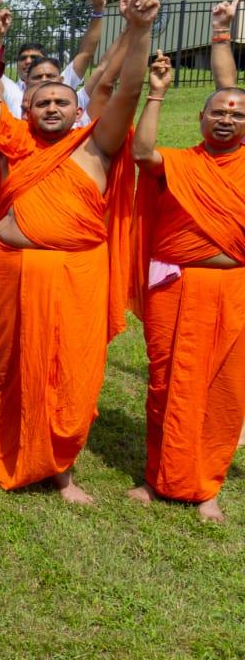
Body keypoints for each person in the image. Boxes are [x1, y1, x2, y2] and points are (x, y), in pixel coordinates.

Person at [0, 0, 151, 503]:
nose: (50, 107)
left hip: (75, 276)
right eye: (41, 101)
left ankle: (62, 471)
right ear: (28, 109)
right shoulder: (17, 144)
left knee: (70, 369)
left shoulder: (96, 148)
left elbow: (129, 92)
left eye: (60, 101)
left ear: (77, 111)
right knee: (5, 364)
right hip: (12, 272)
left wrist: (138, 32)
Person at [128, 50, 245, 521]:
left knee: (223, 389)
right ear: (200, 118)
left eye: (236, 114)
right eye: (218, 111)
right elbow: (140, 153)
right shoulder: (177, 163)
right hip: (174, 288)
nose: (226, 119)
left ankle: (206, 483)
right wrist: (156, 92)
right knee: (166, 381)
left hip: (233, 287)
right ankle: (160, 478)